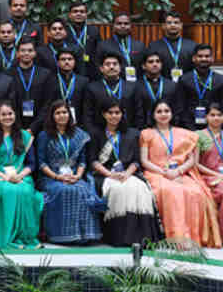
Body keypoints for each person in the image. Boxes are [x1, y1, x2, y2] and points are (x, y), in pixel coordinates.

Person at [140, 100, 221, 248]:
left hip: (180, 172)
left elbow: (191, 160)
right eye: (159, 111)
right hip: (157, 174)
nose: (163, 114)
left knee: (196, 192)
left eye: (166, 111)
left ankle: (193, 239)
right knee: (172, 192)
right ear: (153, 115)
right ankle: (177, 239)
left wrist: (178, 171)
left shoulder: (184, 134)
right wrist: (165, 172)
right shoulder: (147, 134)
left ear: (172, 113)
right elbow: (144, 161)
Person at [89, 98, 161, 247]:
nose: (114, 116)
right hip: (105, 175)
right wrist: (110, 175)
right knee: (118, 190)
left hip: (128, 173)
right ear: (103, 114)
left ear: (122, 114)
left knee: (139, 189)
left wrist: (127, 174)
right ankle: (120, 237)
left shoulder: (132, 133)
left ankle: (142, 237)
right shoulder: (95, 133)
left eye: (117, 112)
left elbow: (136, 161)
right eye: (110, 113)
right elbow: (93, 161)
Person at [36, 101, 105, 244]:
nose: (62, 116)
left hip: (74, 175)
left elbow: (82, 161)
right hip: (52, 177)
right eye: (58, 113)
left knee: (83, 189)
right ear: (52, 116)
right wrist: (57, 177)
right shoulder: (44, 135)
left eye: (64, 112)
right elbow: (41, 163)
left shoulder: (79, 134)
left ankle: (84, 236)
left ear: (69, 114)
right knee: (63, 190)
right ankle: (62, 236)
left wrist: (78, 176)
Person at [0, 100, 42, 249]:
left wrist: (20, 176)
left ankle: (24, 236)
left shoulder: (25, 136)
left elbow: (32, 164)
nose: (7, 117)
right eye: (3, 114)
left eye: (10, 113)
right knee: (7, 190)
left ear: (15, 115)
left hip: (21, 174)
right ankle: (6, 237)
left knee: (25, 190)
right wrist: (4, 176)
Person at [83, 52, 138, 137]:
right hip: (100, 134)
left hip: (126, 133)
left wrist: (134, 132)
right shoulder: (92, 88)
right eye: (107, 64)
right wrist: (92, 134)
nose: (111, 67)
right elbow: (87, 115)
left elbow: (137, 112)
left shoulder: (131, 87)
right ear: (101, 68)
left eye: (115, 64)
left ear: (120, 67)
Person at [12, 37, 52, 138]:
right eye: (23, 50)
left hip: (40, 126)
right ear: (17, 53)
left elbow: (48, 103)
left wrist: (33, 128)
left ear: (35, 53)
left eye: (30, 50)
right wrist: (19, 127)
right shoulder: (9, 75)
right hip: (15, 126)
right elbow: (9, 103)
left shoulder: (45, 74)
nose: (26, 53)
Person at [178, 44, 223, 130]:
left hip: (214, 128)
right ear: (194, 58)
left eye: (207, 56)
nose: (203, 59)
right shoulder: (184, 80)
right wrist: (191, 129)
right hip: (188, 128)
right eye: (200, 56)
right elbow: (180, 108)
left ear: (212, 59)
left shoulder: (220, 80)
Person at [146, 11, 197, 83]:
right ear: (163, 26)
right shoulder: (154, 46)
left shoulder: (192, 46)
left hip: (187, 86)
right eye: (169, 23)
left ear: (181, 25)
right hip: (162, 87)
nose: (173, 25)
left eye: (176, 22)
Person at [134, 50, 179, 129]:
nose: (155, 64)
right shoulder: (136, 86)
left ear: (161, 64)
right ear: (143, 66)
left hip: (168, 129)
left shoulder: (172, 85)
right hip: (144, 129)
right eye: (151, 62)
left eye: (157, 61)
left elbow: (177, 110)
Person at [196, 103, 223, 232]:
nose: (216, 118)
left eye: (219, 115)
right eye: (212, 115)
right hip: (206, 176)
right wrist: (216, 175)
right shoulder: (198, 135)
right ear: (206, 117)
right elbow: (196, 163)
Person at [96, 13, 145, 82]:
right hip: (112, 84)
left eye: (126, 24)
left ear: (131, 26)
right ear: (113, 26)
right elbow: (99, 68)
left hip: (136, 84)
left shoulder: (140, 45)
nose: (123, 26)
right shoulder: (103, 45)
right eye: (119, 24)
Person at [50, 47, 88, 125]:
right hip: (55, 122)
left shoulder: (84, 81)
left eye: (70, 59)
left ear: (75, 62)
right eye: (63, 59)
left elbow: (86, 107)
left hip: (78, 122)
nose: (67, 62)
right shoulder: (50, 80)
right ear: (57, 62)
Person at [66, 2, 101, 79]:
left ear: (86, 15)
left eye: (82, 12)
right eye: (75, 11)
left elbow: (98, 51)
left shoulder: (94, 30)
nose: (79, 14)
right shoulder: (64, 31)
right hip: (69, 68)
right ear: (70, 15)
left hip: (90, 70)